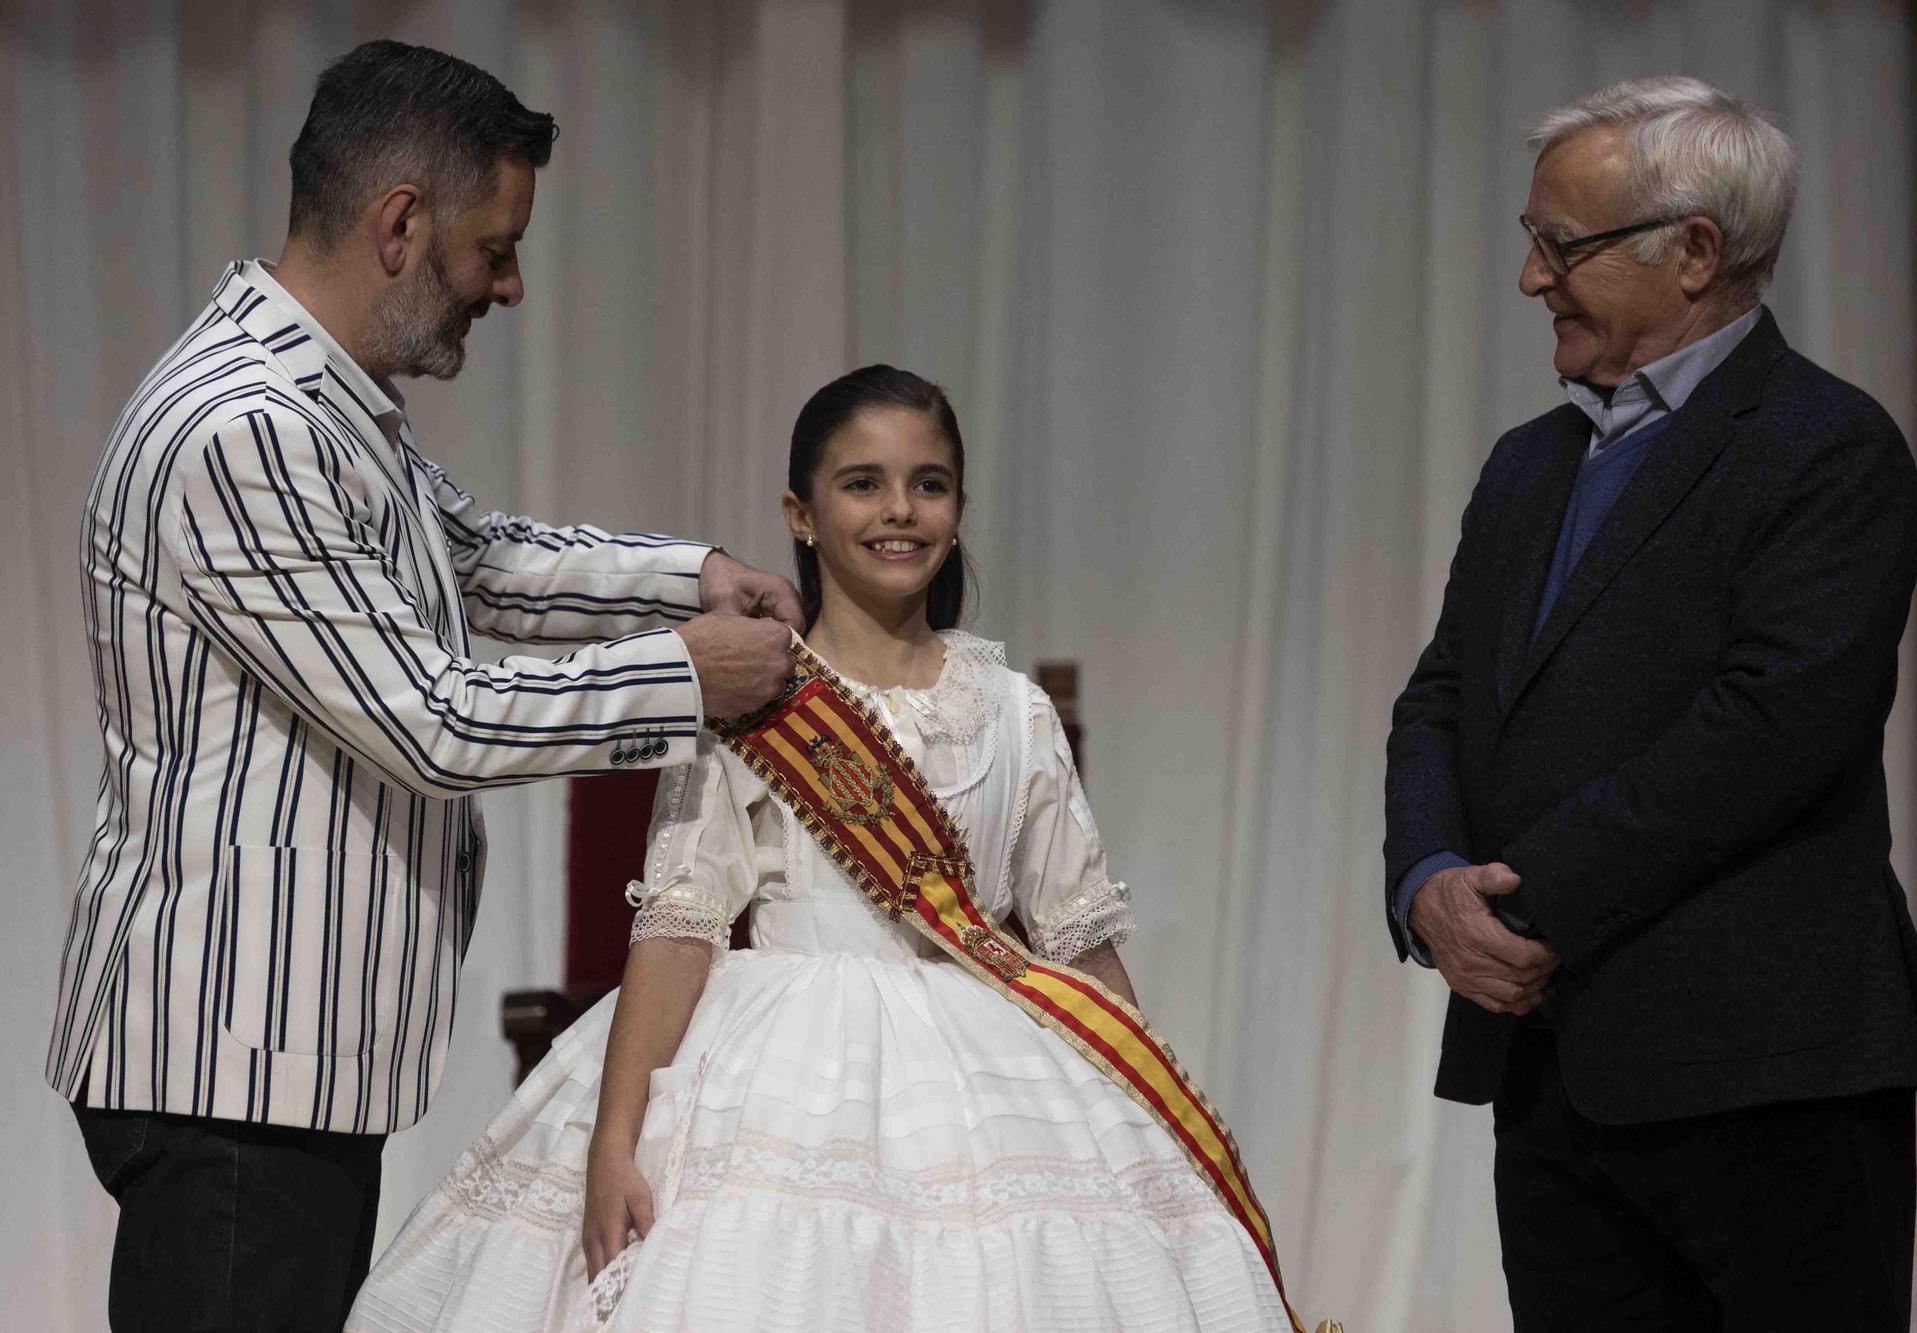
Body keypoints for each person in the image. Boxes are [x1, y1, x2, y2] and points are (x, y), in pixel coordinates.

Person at [49, 40, 799, 1333]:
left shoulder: (327, 404)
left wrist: (692, 577)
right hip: (232, 1073)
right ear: (402, 223)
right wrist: (688, 677)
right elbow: (432, 716)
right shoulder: (248, 424)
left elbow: (482, 559)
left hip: (284, 1070)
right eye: (492, 248)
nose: (506, 286)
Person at [348, 365, 1302, 1332]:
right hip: (774, 1071)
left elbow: (1078, 941)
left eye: (928, 484)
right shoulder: (748, 692)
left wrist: (1153, 1112)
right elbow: (679, 927)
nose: (900, 509)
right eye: (863, 483)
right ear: (801, 515)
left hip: (990, 1079)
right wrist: (615, 1140)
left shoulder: (1015, 711)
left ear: (960, 507)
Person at [1384, 76, 1917, 1330]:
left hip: (1762, 1069)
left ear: (1693, 251)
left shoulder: (1825, 445)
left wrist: (1517, 902)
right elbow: (1438, 698)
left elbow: (1767, 732)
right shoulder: (1526, 464)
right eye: (1529, 242)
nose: (1531, 278)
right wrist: (1427, 880)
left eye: (1560, 244)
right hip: (1552, 1071)